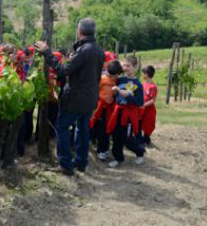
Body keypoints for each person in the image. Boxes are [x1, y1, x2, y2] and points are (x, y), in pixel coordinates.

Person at [35, 18, 105, 176]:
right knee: (82, 129)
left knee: (62, 127)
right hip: (90, 97)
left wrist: (47, 52)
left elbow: (62, 71)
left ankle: (66, 164)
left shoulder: (84, 50)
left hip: (75, 98)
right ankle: (81, 162)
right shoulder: (98, 50)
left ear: (79, 32)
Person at [107, 56, 146, 168]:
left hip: (128, 115)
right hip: (117, 112)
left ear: (135, 67)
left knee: (126, 137)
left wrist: (129, 96)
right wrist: (115, 93)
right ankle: (118, 158)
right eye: (124, 65)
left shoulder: (138, 84)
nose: (125, 68)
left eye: (128, 66)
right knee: (116, 135)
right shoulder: (120, 80)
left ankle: (140, 152)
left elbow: (140, 102)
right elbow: (116, 97)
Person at [90, 59, 123, 161]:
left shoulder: (119, 80)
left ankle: (103, 150)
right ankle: (96, 147)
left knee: (106, 129)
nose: (112, 77)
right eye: (110, 75)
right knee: (96, 127)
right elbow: (95, 90)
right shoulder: (102, 78)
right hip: (99, 107)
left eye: (115, 76)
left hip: (110, 109)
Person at [139, 65, 158, 146]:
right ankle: (139, 138)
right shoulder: (142, 84)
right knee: (139, 123)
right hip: (141, 108)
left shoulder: (153, 86)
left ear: (147, 74)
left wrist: (144, 105)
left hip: (149, 109)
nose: (142, 75)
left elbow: (152, 100)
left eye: (143, 73)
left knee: (148, 124)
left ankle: (147, 139)